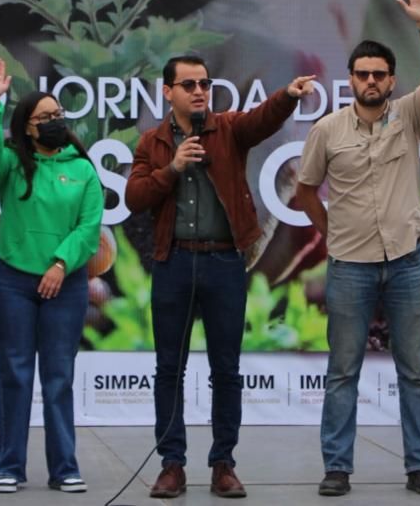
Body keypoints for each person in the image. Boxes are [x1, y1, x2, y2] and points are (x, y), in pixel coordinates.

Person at [126, 54, 316, 499]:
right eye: (188, 85)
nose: (199, 92)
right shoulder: (152, 142)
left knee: (226, 370)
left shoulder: (229, 128)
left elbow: (263, 119)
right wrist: (173, 168)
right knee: (169, 369)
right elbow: (134, 197)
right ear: (167, 92)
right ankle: (172, 465)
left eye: (204, 84)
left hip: (225, 263)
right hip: (173, 262)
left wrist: (288, 96)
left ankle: (223, 464)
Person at [294, 0, 420, 498]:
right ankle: (337, 468)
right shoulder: (327, 130)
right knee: (343, 372)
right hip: (350, 267)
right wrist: (332, 232)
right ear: (350, 79)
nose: (370, 81)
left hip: (406, 262)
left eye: (379, 74)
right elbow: (306, 191)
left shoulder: (409, 116)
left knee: (415, 372)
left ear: (391, 80)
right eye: (362, 74)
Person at [0, 58, 104, 495]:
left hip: (65, 285)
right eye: (44, 117)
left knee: (58, 377)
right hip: (11, 282)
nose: (54, 122)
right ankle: (9, 466)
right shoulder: (12, 163)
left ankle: (64, 467)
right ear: (28, 128)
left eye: (57, 115)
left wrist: (61, 264)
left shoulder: (82, 168)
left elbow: (89, 228)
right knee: (15, 373)